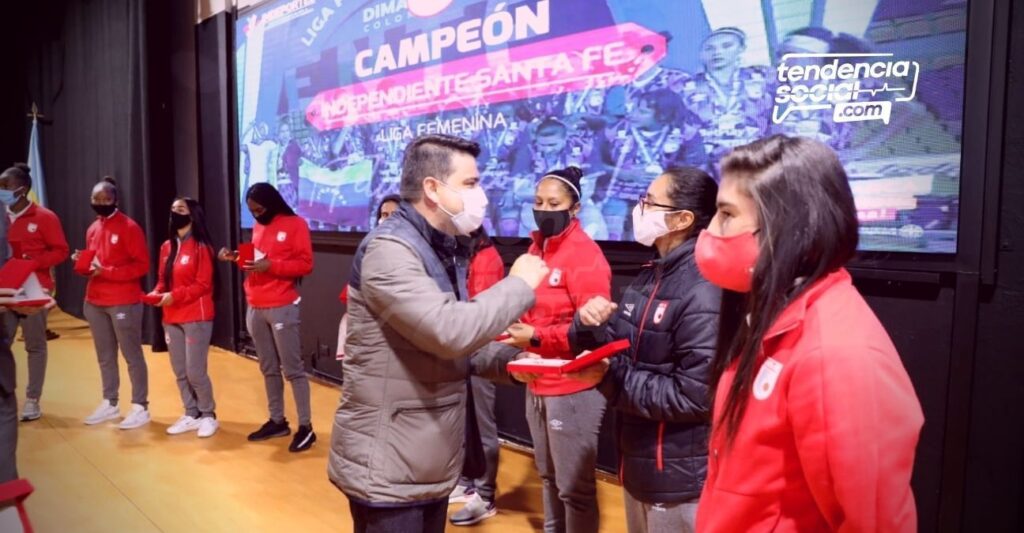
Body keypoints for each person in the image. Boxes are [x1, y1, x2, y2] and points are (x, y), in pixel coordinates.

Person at [694, 135, 924, 531]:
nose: (711, 230)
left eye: (727, 215)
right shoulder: (769, 321)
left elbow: (874, 521)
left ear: (787, 226)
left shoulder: (836, 354)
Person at [328, 134, 549, 533]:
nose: (480, 194)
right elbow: (449, 332)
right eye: (470, 184)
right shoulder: (390, 250)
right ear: (432, 188)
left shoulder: (436, 247)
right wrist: (519, 286)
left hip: (424, 459)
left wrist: (511, 364)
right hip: (390, 466)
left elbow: (440, 344)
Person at [570, 167, 721, 533]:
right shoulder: (652, 273)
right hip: (639, 465)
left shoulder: (704, 288)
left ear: (682, 219)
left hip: (678, 480)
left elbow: (694, 396)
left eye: (648, 202)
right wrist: (586, 326)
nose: (639, 209)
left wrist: (610, 377)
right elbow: (622, 352)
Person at [505, 166, 613, 533]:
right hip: (537, 380)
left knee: (574, 489)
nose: (543, 208)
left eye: (554, 202)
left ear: (575, 208)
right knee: (548, 477)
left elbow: (593, 331)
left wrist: (535, 338)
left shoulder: (586, 255)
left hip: (573, 385)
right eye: (538, 202)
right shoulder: (536, 248)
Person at [218, 183, 315, 452]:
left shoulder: (296, 224)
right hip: (255, 306)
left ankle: (306, 427)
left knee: (293, 370)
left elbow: (306, 265)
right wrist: (236, 258)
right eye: (251, 211)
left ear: (271, 203)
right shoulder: (259, 226)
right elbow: (257, 261)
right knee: (268, 368)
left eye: (259, 209)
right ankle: (277, 420)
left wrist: (272, 265)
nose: (256, 215)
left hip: (282, 305)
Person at [75, 177, 151, 429]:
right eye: (96, 200)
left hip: (123, 302)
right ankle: (110, 402)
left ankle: (140, 406)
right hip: (95, 301)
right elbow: (94, 262)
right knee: (105, 356)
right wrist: (84, 264)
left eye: (105, 200)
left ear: (115, 201)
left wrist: (105, 271)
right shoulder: (92, 228)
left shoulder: (129, 227)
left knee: (131, 355)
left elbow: (142, 266)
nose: (100, 204)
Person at [0, 163, 69, 422]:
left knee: (35, 346)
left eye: (5, 187)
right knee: (2, 343)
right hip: (5, 289)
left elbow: (61, 251)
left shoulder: (45, 217)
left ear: (23, 189)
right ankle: (5, 395)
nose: (1, 191)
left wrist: (33, 260)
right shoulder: (1, 216)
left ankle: (32, 399)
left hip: (34, 289)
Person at [448, 227, 507, 526]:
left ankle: (485, 496)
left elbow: (480, 313)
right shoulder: (457, 254)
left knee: (483, 425)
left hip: (482, 350)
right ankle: (465, 480)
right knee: (461, 421)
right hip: (459, 348)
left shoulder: (486, 258)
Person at [149, 198, 218, 438]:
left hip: (196, 316)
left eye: (180, 210)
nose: (175, 213)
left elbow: (202, 285)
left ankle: (208, 415)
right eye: (172, 209)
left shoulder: (202, 247)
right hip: (171, 316)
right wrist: (157, 293)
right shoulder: (166, 247)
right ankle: (191, 412)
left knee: (195, 371)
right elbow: (161, 278)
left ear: (193, 215)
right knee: (179, 370)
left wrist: (173, 295)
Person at [337, 194, 402, 360]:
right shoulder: (370, 246)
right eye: (384, 215)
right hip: (365, 327)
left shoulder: (413, 251)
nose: (386, 220)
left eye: (393, 215)